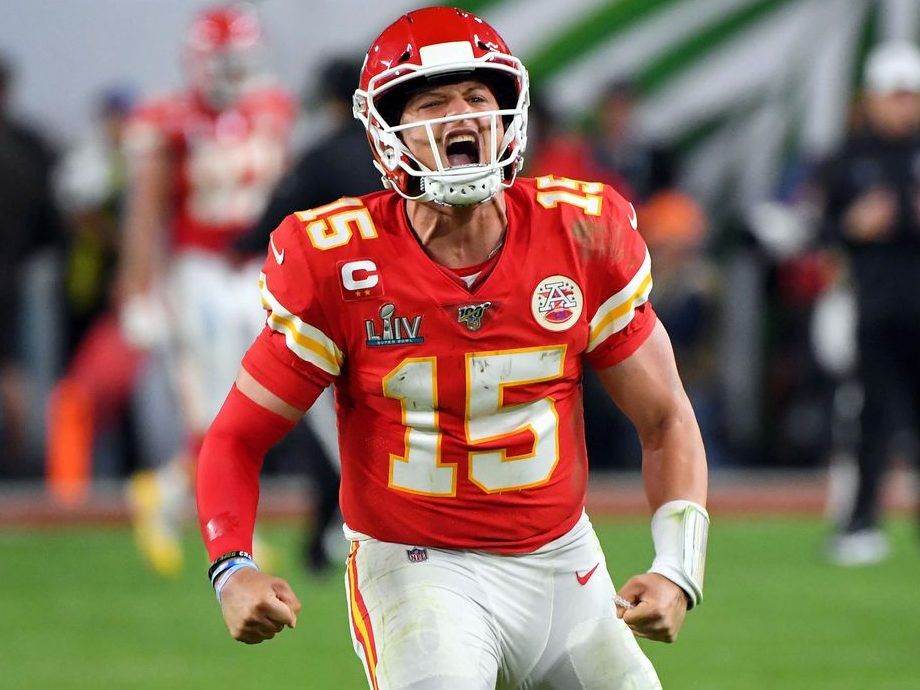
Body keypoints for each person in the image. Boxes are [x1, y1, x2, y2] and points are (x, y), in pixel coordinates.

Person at [197, 7, 709, 690]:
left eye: (476, 97)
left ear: (508, 116)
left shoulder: (580, 236)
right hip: (416, 566)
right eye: (432, 102)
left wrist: (678, 568)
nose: (460, 116)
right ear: (386, 132)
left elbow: (665, 416)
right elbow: (236, 437)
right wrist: (233, 566)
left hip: (562, 564)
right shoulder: (339, 265)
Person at [118, 4, 295, 576]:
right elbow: (147, 210)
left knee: (261, 397)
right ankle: (235, 529)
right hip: (198, 271)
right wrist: (137, 287)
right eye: (225, 62)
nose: (234, 73)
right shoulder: (167, 120)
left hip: (255, 269)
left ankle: (164, 495)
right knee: (216, 406)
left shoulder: (272, 109)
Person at [236, 55, 381, 574]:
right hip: (413, 312)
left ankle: (335, 535)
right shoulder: (399, 153)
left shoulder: (319, 157)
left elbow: (266, 229)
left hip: (340, 316)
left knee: (331, 428)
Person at [820, 41, 920, 566]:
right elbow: (820, 227)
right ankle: (861, 523)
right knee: (873, 419)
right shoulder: (850, 156)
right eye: (896, 95)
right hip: (875, 304)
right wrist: (853, 226)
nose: (904, 106)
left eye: (910, 95)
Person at [0, 54, 63, 475]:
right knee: (25, 380)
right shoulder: (29, 144)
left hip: (21, 273)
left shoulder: (28, 144)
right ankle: (31, 465)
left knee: (27, 381)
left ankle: (33, 465)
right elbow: (53, 222)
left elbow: (51, 220)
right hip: (23, 271)